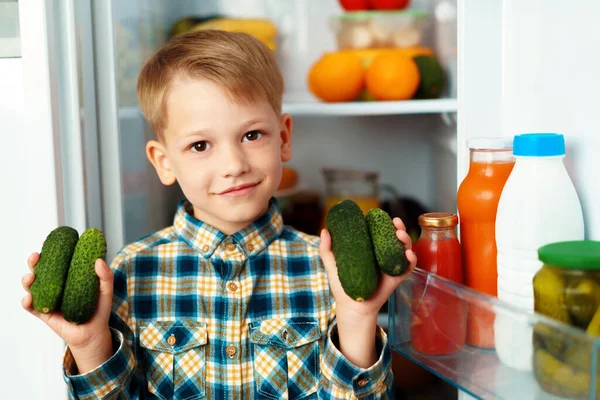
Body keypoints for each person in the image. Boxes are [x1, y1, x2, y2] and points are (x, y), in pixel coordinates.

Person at [21, 30, 416, 399]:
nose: (233, 164)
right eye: (199, 145)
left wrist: (357, 316)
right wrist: (89, 346)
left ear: (283, 138)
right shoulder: (132, 270)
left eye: (251, 135)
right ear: (164, 162)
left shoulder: (326, 269)